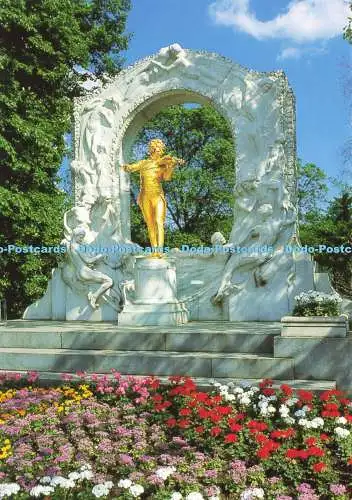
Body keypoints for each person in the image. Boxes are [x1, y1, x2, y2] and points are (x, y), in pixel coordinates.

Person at [122, 139, 185, 256]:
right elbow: (131, 168)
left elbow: (166, 178)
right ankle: (154, 251)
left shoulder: (163, 164)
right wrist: (124, 166)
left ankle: (160, 251)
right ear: (152, 149)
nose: (160, 151)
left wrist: (171, 166)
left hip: (157, 195)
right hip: (145, 196)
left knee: (158, 221)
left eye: (161, 149)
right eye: (158, 148)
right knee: (150, 224)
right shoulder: (144, 163)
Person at [67, 227, 113, 309]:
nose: (82, 239)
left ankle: (92, 293)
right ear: (75, 236)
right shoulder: (76, 247)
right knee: (109, 281)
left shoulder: (71, 246)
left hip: (81, 272)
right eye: (81, 237)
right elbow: (88, 260)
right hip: (85, 272)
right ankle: (94, 297)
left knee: (102, 277)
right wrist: (100, 255)